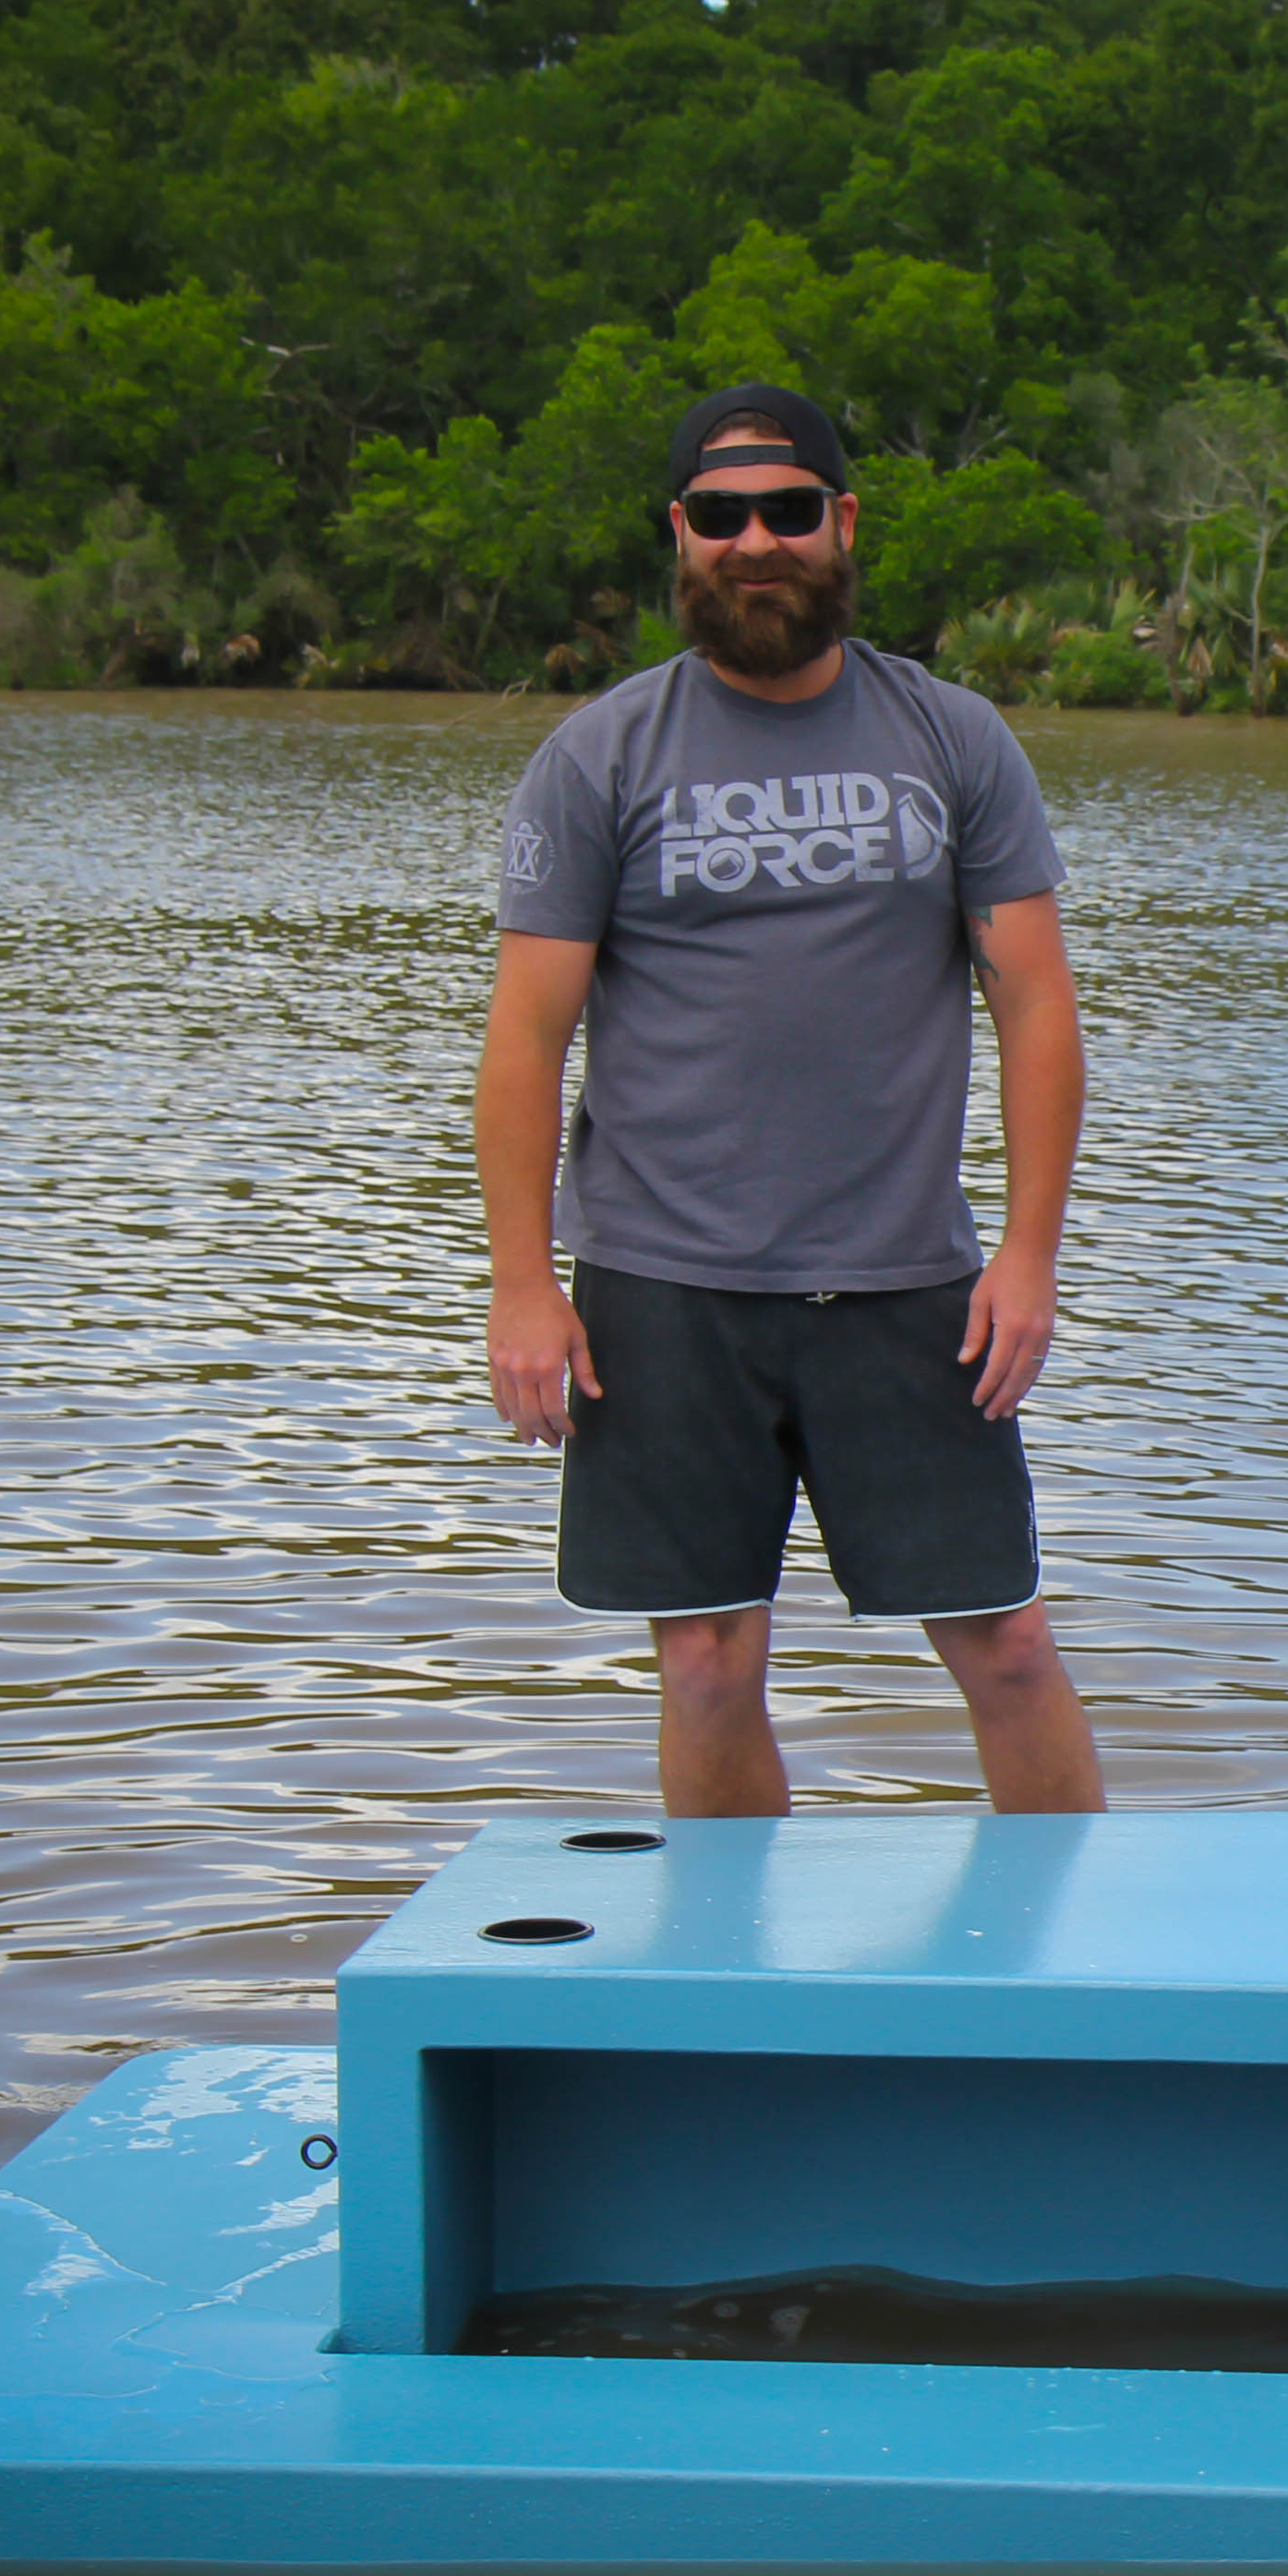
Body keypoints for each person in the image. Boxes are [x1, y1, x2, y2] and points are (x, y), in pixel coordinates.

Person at [474, 383, 1105, 1818]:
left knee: (1005, 1642)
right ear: (679, 537)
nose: (755, 543)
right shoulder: (598, 759)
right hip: (661, 1289)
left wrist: (1028, 1254)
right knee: (703, 1660)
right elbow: (525, 1038)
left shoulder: (952, 739)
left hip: (910, 1288)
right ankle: (724, 1998)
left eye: (787, 511)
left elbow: (1037, 1006)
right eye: (719, 516)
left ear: (842, 523)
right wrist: (523, 1282)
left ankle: (1079, 1992)